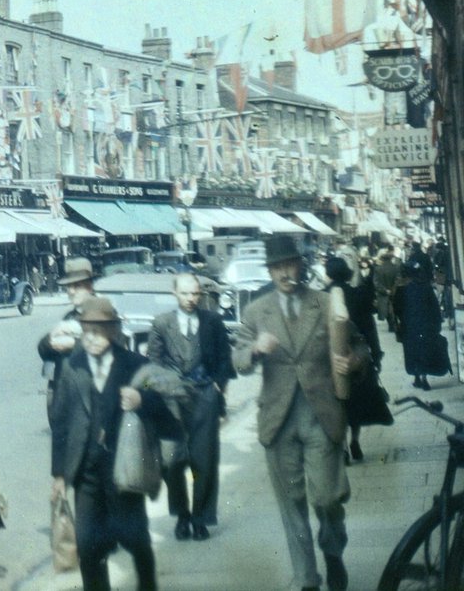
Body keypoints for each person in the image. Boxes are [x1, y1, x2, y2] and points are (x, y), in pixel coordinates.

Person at [233, 236, 368, 591]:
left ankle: (333, 551)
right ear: (270, 271)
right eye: (277, 267)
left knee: (326, 497)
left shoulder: (325, 303)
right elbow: (238, 359)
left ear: (301, 265)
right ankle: (306, 578)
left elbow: (360, 345)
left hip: (321, 416)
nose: (285, 273)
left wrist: (352, 361)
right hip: (278, 420)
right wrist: (255, 352)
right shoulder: (255, 311)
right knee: (291, 505)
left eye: (290, 264)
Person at [49, 297, 179, 591]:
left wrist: (141, 399)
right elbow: (61, 423)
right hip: (86, 471)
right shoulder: (73, 366)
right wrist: (59, 474)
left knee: (135, 539)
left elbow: (163, 404)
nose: (91, 338)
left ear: (113, 331)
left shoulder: (135, 365)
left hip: (124, 468)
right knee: (89, 545)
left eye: (99, 330)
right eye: (86, 331)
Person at [147, 272, 235, 541]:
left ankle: (200, 518)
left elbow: (224, 359)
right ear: (174, 293)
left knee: (204, 460)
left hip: (204, 395)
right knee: (172, 461)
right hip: (172, 399)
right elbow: (154, 362)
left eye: (195, 294)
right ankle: (182, 515)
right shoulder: (162, 323)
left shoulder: (213, 322)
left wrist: (218, 387)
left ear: (201, 294)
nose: (190, 299)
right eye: (185, 293)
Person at [324, 255, 392, 461]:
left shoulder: (321, 298)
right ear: (346, 273)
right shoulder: (358, 295)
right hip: (357, 360)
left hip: (331, 359)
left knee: (339, 403)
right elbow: (369, 330)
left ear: (327, 274)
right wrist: (376, 356)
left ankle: (343, 446)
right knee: (357, 402)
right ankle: (355, 441)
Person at [38, 257, 98, 410]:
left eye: (77, 286)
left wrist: (74, 344)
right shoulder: (69, 317)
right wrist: (51, 340)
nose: (71, 291)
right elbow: (43, 350)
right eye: (68, 286)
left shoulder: (106, 314)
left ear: (90, 287)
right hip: (67, 405)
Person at [394, 249, 447, 390]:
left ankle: (417, 376)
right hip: (426, 325)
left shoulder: (401, 289)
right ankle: (424, 377)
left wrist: (400, 321)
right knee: (425, 350)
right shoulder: (426, 288)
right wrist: (437, 323)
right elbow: (434, 307)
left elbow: (396, 308)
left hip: (408, 325)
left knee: (411, 351)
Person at [373, 247, 400, 332]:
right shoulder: (396, 268)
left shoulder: (378, 269)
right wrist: (393, 289)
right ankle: (394, 323)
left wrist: (385, 290)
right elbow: (398, 280)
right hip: (394, 292)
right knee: (394, 308)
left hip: (383, 294)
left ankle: (391, 325)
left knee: (386, 309)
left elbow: (376, 283)